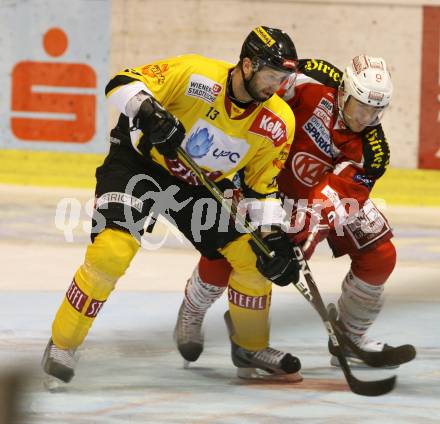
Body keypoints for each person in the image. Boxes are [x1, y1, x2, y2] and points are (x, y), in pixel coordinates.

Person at [41, 26, 303, 384]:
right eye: (272, 75)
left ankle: (251, 346)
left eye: (284, 77)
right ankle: (62, 343)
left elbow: (262, 189)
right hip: (139, 166)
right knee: (112, 252)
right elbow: (120, 83)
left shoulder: (278, 122)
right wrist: (148, 112)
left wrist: (273, 238)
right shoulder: (195, 74)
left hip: (198, 185)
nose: (277, 85)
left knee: (256, 260)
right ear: (246, 65)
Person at [175, 54, 406, 369]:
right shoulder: (311, 78)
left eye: (376, 111)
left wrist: (305, 232)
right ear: (343, 92)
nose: (366, 118)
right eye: (360, 107)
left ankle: (349, 338)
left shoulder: (374, 151)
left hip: (315, 200)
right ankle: (193, 309)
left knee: (380, 254)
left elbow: (337, 198)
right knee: (230, 249)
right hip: (264, 178)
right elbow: (257, 94)